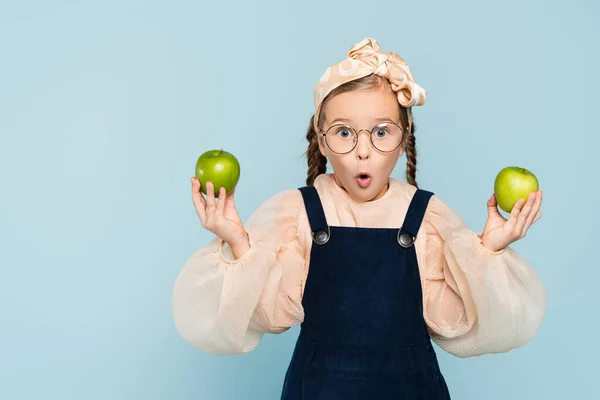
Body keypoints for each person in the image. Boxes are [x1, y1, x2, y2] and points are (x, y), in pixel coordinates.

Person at [172, 37, 547, 399]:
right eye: (344, 132)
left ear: (403, 140)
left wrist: (487, 252)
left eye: (382, 132)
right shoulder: (298, 212)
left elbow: (453, 320)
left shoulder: (427, 217)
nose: (363, 151)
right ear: (321, 141)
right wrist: (238, 243)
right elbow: (265, 315)